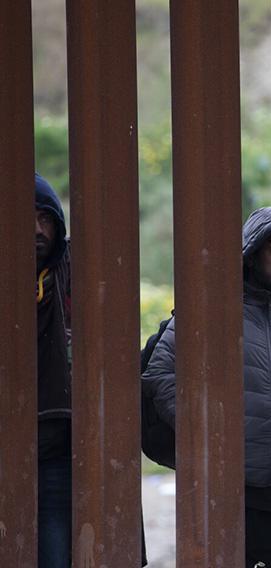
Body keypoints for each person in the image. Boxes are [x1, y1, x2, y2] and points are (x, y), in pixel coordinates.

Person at [141, 207, 271, 567]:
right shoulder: (212, 308)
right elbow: (161, 372)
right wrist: (204, 431)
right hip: (233, 493)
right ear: (253, 254)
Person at [34, 173, 73, 568]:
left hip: (58, 449)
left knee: (55, 555)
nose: (35, 229)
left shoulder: (72, 271)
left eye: (45, 218)